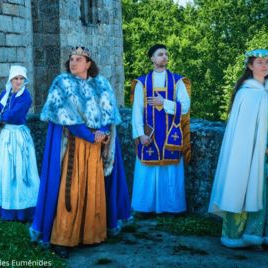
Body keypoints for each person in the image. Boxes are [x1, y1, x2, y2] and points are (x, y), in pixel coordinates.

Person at [29, 45, 131, 258]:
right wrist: (89, 135)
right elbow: (65, 116)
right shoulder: (62, 83)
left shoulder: (101, 84)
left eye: (78, 59)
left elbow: (108, 114)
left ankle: (90, 234)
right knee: (71, 193)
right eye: (71, 59)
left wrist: (102, 132)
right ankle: (63, 239)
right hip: (74, 146)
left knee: (94, 190)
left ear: (88, 64)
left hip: (96, 148)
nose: (73, 62)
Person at [209, 49, 268, 249]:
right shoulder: (244, 94)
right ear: (250, 66)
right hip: (247, 156)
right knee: (244, 189)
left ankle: (265, 236)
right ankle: (238, 236)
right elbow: (242, 133)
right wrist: (259, 149)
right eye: (259, 62)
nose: (264, 65)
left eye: (267, 62)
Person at [131, 44, 191, 216]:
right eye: (160, 54)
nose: (164, 57)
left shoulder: (177, 81)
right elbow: (137, 111)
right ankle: (144, 208)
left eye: (166, 54)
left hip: (170, 133)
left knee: (171, 171)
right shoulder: (141, 83)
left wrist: (163, 102)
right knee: (147, 171)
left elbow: (185, 107)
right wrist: (140, 134)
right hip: (149, 134)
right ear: (152, 59)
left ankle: (172, 208)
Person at [0, 65, 39, 221]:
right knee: (3, 168)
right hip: (6, 135)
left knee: (19, 170)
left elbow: (14, 115)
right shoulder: (5, 94)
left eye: (21, 79)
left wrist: (2, 118)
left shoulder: (25, 97)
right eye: (15, 78)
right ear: (11, 80)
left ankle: (22, 209)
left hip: (18, 137)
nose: (18, 81)